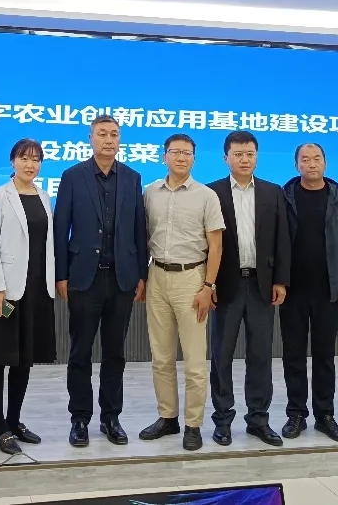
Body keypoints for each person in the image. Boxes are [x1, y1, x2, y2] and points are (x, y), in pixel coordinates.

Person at [54, 115, 148, 449]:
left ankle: (111, 417)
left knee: (115, 352)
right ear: (90, 138)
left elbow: (139, 229)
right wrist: (61, 274)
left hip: (121, 279)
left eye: (114, 134)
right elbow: (61, 227)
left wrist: (142, 274)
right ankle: (79, 418)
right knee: (80, 351)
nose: (109, 140)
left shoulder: (132, 178)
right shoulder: (72, 176)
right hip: (84, 278)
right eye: (102, 134)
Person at [140, 133, 224, 452]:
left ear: (194, 158)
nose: (181, 157)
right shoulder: (150, 193)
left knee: (194, 361)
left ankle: (193, 424)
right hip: (157, 275)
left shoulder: (206, 196)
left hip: (193, 279)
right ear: (164, 157)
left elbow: (216, 245)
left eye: (187, 153)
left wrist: (208, 286)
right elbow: (142, 236)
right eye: (175, 152)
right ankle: (168, 417)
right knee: (161, 356)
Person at [207, 131, 290, 448]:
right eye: (238, 154)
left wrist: (280, 280)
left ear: (257, 157)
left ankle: (258, 420)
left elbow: (282, 239)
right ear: (226, 157)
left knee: (260, 355)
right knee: (222, 356)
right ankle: (223, 420)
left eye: (250, 154)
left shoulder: (273, 192)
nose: (244, 159)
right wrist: (208, 283)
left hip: (261, 285)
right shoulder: (211, 192)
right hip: (225, 285)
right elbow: (205, 243)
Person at [0, 139, 56, 455]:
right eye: (24, 158)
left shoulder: (44, 196)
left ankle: (13, 421)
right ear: (12, 161)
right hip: (6, 293)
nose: (30, 164)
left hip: (36, 291)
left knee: (24, 361)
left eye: (36, 159)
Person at [280, 143, 338, 444]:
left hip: (329, 290)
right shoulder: (284, 197)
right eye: (305, 159)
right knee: (294, 355)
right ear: (296, 164)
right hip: (293, 290)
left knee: (325, 356)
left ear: (325, 163)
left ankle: (325, 415)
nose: (311, 164)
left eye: (316, 159)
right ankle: (296, 413)